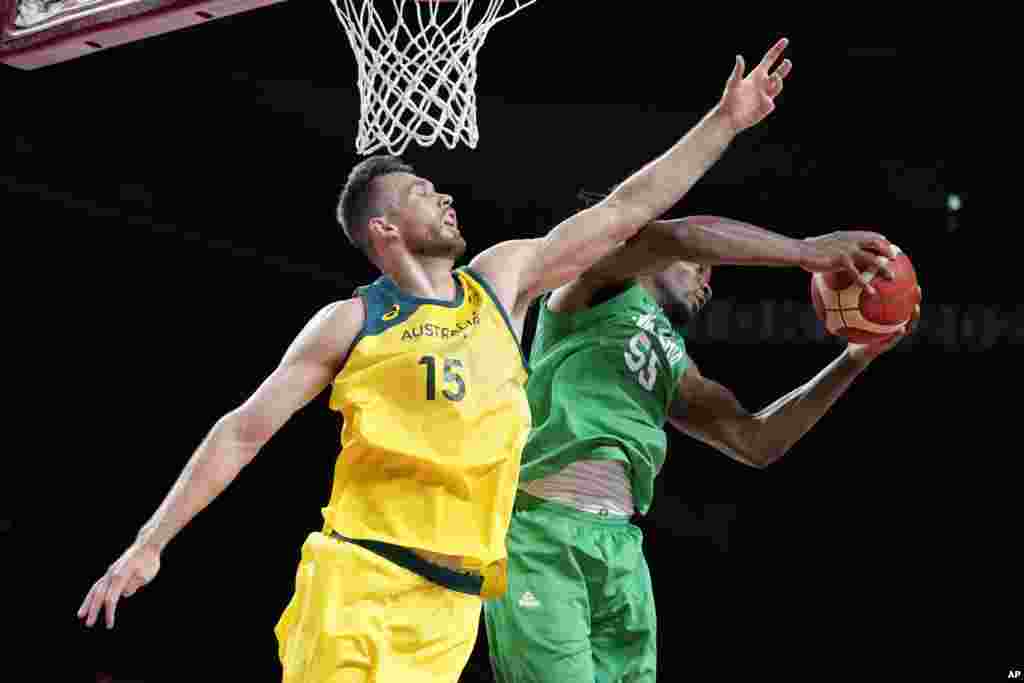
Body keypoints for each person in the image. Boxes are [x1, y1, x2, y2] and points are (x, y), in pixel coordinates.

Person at [76, 37, 882, 683]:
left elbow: (627, 210)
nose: (446, 196)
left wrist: (725, 122)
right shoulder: (350, 322)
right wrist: (151, 540)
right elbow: (243, 430)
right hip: (360, 584)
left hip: (455, 603)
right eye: (424, 191)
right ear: (383, 230)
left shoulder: (499, 282)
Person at [481, 216, 922, 683]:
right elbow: (682, 235)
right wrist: (805, 249)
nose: (707, 281)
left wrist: (853, 360)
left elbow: (755, 440)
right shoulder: (591, 283)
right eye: (699, 267)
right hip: (544, 534)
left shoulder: (674, 360)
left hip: (619, 547)